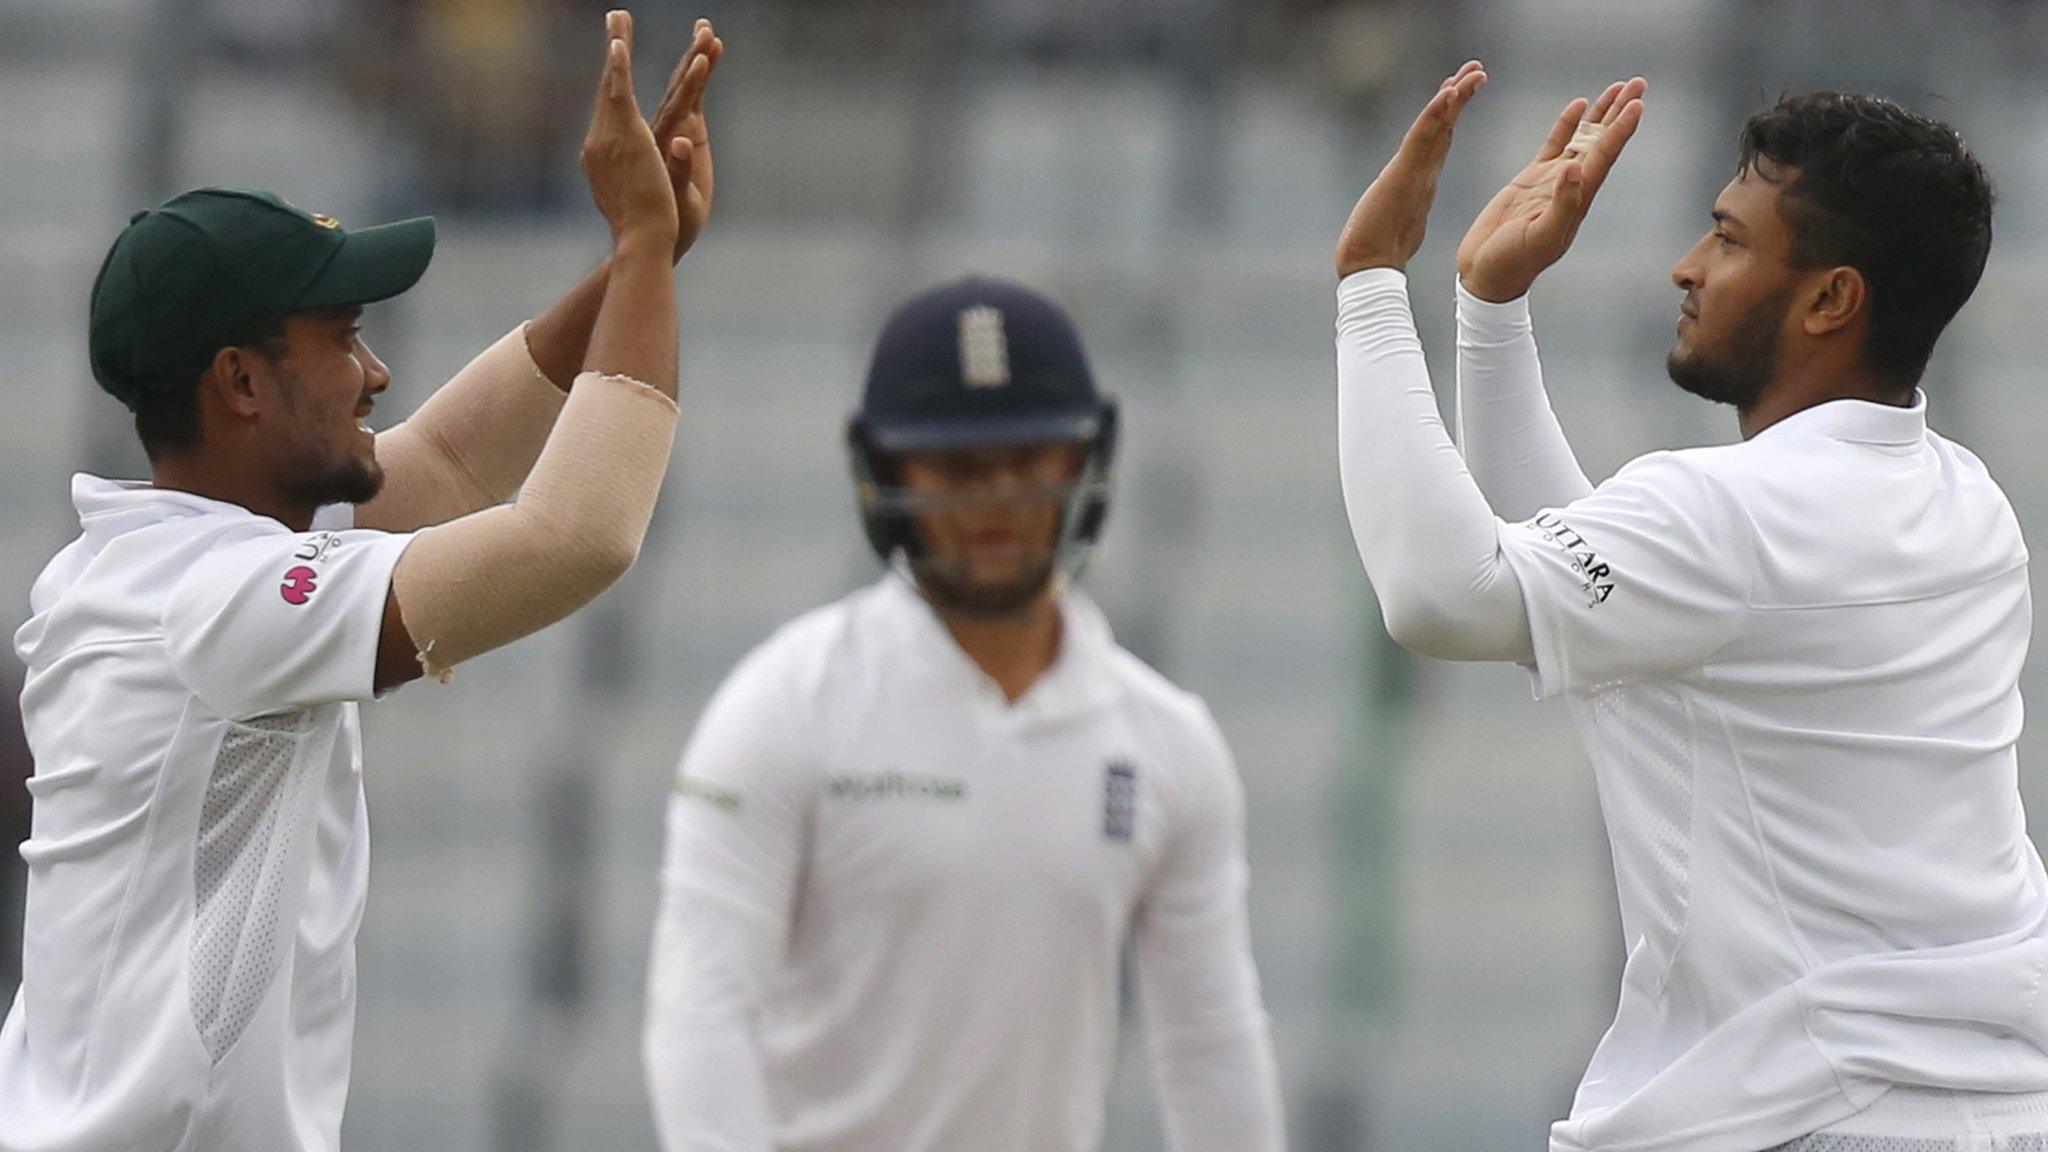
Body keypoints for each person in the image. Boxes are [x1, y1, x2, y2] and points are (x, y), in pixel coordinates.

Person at [0, 12, 722, 1151]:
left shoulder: (165, 567)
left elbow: (445, 465)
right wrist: (636, 254)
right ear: (240, 381)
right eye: (341, 335)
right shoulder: (209, 604)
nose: (375, 370)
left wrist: (643, 256)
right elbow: (578, 535)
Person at [1332, 66, 2048, 1152]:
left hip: (1812, 1121)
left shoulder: (1732, 516)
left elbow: (1441, 597)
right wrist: (1490, 315)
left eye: (1725, 239)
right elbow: (1602, 598)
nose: (1685, 266)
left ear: (1828, 299)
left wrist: (1369, 285)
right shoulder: (1967, 506)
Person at [641, 278, 1287, 1152]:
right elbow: (703, 1011)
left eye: (1028, 457)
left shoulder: (1166, 741)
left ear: (1082, 462)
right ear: (886, 472)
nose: (997, 498)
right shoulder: (783, 708)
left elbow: (1209, 1045)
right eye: (959, 466)